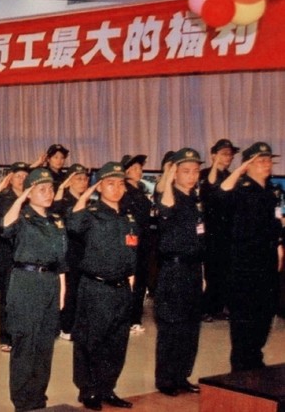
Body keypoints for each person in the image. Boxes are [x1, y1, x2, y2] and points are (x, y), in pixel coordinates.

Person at [68, 162, 139, 411]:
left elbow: (132, 252)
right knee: (91, 341)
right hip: (96, 288)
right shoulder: (90, 213)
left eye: (120, 184)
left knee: (117, 343)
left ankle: (107, 388)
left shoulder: (128, 217)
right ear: (99, 186)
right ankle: (88, 391)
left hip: (122, 288)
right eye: (110, 183)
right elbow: (73, 224)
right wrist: (87, 193)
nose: (116, 188)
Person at [0, 168, 68, 411]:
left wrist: (61, 291)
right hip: (26, 282)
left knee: (45, 344)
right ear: (29, 193)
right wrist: (20, 198)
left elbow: (61, 260)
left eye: (50, 188)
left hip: (50, 282)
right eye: (41, 189)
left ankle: (39, 399)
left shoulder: (56, 220)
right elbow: (5, 227)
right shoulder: (21, 217)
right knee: (25, 343)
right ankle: (22, 402)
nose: (48, 193)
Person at [211, 142, 283, 372]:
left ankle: (255, 360)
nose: (266, 164)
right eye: (260, 161)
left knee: (264, 315)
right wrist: (240, 171)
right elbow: (220, 194)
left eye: (268, 160)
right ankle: (241, 367)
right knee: (245, 318)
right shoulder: (240, 189)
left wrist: (279, 245)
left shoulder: (271, 191)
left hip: (267, 262)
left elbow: (274, 224)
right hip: (245, 265)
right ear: (248, 165)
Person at [153, 148, 205, 396]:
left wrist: (202, 273)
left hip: (193, 269)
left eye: (195, 171)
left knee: (191, 327)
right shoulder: (168, 196)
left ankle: (182, 375)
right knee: (171, 326)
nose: (192, 175)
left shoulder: (195, 199)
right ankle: (166, 380)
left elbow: (200, 239)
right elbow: (164, 207)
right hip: (174, 270)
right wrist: (169, 174)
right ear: (175, 173)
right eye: (186, 171)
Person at [0, 162, 32, 352]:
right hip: (5, 253)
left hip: (27, 254)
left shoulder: (32, 198)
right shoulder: (2, 198)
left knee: (25, 298)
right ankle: (6, 337)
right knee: (6, 298)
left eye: (25, 176)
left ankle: (23, 336)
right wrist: (2, 185)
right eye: (17, 176)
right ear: (10, 178)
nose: (22, 180)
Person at [199, 138, 239, 322]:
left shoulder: (231, 177)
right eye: (224, 154)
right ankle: (205, 309)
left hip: (227, 231)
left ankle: (218, 308)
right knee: (210, 271)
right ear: (214, 155)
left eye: (230, 155)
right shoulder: (205, 174)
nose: (228, 157)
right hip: (209, 230)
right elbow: (209, 188)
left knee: (224, 271)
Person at [53, 164, 90, 340]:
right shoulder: (64, 201)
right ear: (69, 181)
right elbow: (55, 212)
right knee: (69, 290)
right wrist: (61, 189)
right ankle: (65, 326)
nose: (83, 182)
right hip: (68, 251)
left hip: (84, 252)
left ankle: (77, 325)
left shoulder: (88, 201)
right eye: (78, 178)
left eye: (85, 179)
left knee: (81, 291)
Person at [120, 154, 154, 333]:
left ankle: (135, 318)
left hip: (144, 241)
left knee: (141, 280)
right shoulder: (123, 191)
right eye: (135, 168)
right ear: (126, 171)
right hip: (130, 243)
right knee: (130, 280)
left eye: (140, 168)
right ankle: (128, 318)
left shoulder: (140, 189)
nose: (139, 171)